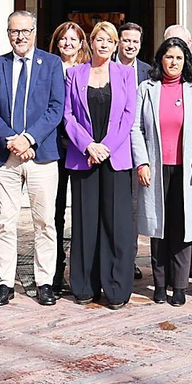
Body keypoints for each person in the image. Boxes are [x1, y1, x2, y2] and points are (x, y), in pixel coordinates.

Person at [0, 11, 66, 307]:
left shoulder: (52, 63)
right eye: (14, 31)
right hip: (4, 155)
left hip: (41, 155)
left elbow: (56, 108)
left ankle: (44, 282)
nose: (20, 37)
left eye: (25, 31)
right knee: (5, 221)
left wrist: (29, 139)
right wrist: (11, 140)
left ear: (34, 32)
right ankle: (4, 282)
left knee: (44, 222)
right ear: (8, 34)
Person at [63, 21, 140, 308]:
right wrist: (88, 146)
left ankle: (117, 288)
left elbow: (128, 115)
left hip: (114, 157)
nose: (104, 44)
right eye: (100, 39)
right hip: (83, 157)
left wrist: (105, 147)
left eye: (110, 40)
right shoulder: (74, 74)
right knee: (85, 223)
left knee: (116, 224)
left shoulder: (125, 74)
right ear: (91, 42)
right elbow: (68, 116)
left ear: (115, 44)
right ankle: (85, 285)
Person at [132, 37, 192, 305]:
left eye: (178, 57)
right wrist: (142, 162)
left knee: (182, 226)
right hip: (156, 167)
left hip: (186, 170)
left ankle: (180, 286)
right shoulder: (146, 88)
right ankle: (160, 284)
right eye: (168, 57)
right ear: (160, 60)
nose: (173, 62)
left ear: (185, 61)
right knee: (159, 227)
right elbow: (136, 128)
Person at [48, 20, 88, 296]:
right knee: (55, 212)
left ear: (81, 43)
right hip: (55, 148)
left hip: (82, 148)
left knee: (83, 211)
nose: (68, 43)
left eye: (73, 39)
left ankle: (82, 272)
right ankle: (55, 271)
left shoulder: (89, 70)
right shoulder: (49, 68)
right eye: (63, 38)